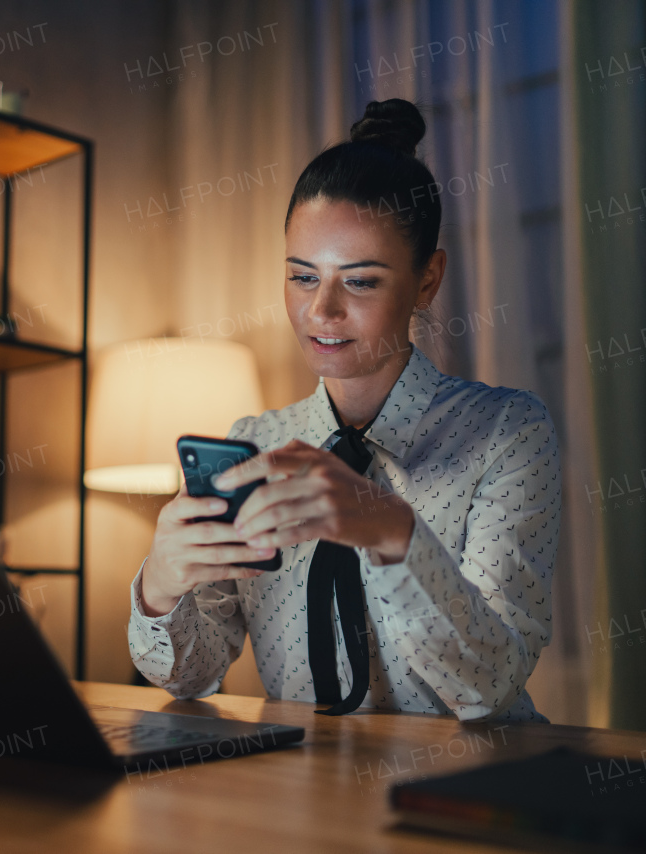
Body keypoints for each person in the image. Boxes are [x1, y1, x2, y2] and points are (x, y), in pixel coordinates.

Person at [127, 99, 560, 723]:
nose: (321, 311)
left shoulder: (509, 432)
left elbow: (488, 686)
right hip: (306, 794)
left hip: (465, 790)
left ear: (427, 281)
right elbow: (195, 678)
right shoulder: (255, 444)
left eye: (359, 281)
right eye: (302, 277)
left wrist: (389, 530)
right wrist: (159, 588)